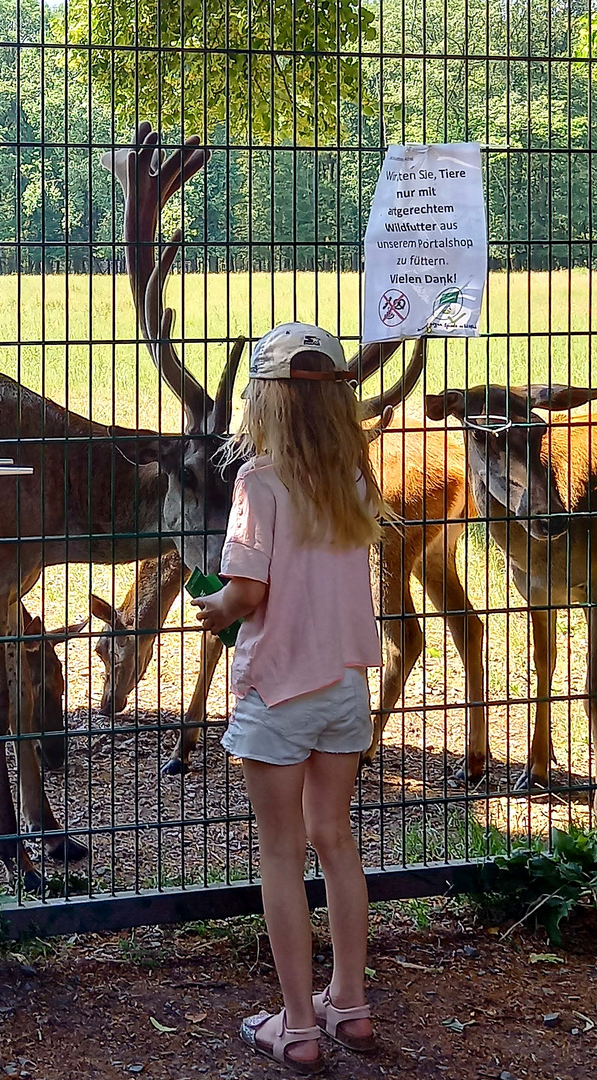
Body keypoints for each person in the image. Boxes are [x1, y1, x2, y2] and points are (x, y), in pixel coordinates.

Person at [191, 322, 383, 1074]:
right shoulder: (356, 476)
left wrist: (213, 609)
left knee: (280, 854)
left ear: (262, 402)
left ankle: (297, 1024)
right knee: (334, 841)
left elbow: (247, 591)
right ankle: (351, 1004)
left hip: (276, 690)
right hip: (344, 686)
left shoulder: (258, 482)